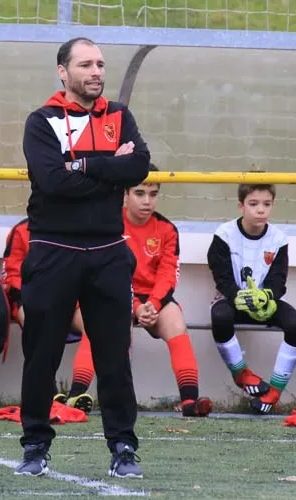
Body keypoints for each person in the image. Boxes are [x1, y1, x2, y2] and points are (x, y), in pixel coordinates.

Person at [16, 37, 150, 479]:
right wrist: (110, 168)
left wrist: (83, 166)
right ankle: (35, 445)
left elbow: (139, 167)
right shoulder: (42, 121)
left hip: (109, 252)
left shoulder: (119, 115)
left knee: (114, 357)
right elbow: (52, 182)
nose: (96, 72)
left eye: (100, 65)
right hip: (53, 251)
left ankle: (123, 447)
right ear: (63, 72)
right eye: (86, 64)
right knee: (42, 356)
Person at [54, 166, 212, 417]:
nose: (147, 201)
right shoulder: (108, 223)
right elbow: (106, 273)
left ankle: (190, 402)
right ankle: (76, 395)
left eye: (153, 194)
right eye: (140, 193)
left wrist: (153, 305)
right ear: (125, 195)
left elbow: (168, 274)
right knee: (105, 324)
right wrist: (135, 306)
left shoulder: (167, 229)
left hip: (151, 301)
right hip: (111, 294)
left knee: (176, 322)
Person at [207, 182, 296, 414]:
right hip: (234, 301)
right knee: (219, 316)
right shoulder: (224, 235)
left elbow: (279, 279)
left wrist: (266, 296)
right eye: (253, 204)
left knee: (295, 324)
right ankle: (241, 374)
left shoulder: (278, 239)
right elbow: (221, 275)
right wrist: (237, 295)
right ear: (241, 206)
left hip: (264, 303)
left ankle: (273, 392)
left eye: (267, 204)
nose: (260, 210)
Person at [1, 219, 90, 410]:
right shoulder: (22, 230)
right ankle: (50, 392)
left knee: (95, 326)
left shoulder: (76, 227)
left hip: (69, 299)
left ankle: (76, 394)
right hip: (30, 298)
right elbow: (12, 274)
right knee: (35, 325)